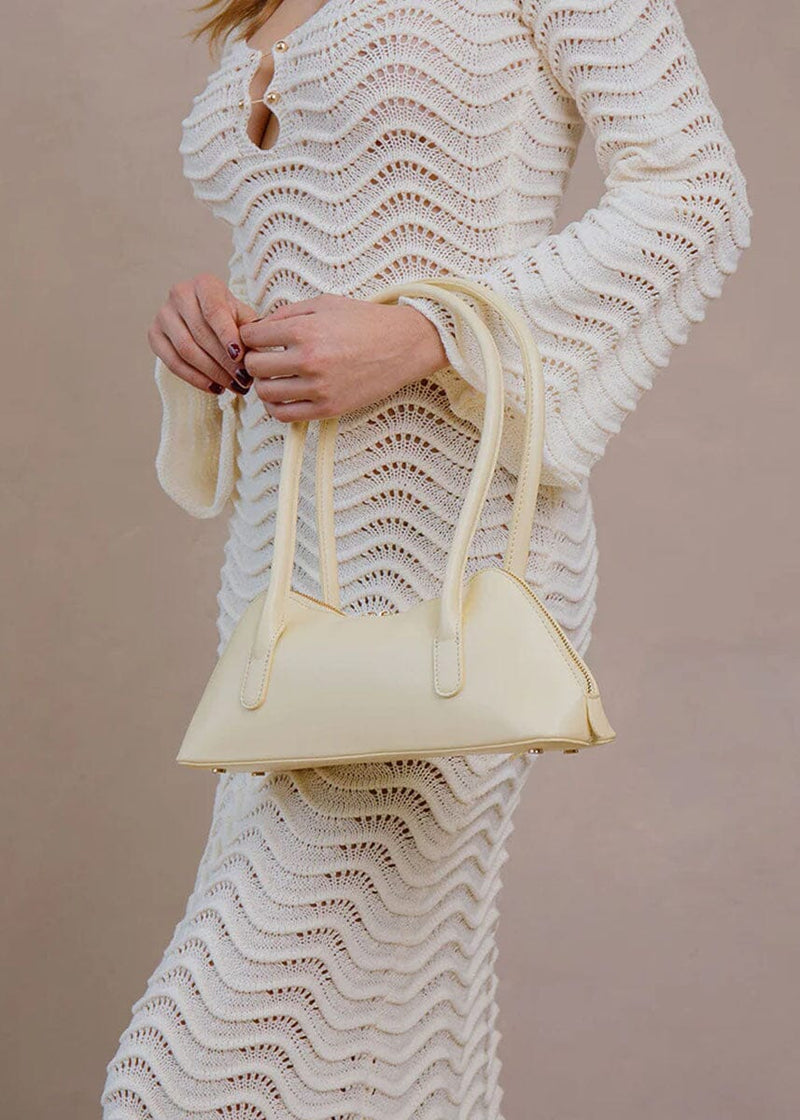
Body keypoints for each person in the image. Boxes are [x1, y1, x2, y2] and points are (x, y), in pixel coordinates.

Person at [101, 0, 752, 1115]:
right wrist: (209, 328)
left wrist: (428, 332)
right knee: (381, 1039)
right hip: (287, 581)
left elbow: (693, 189)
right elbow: (321, 240)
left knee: (194, 1072)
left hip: (448, 559)